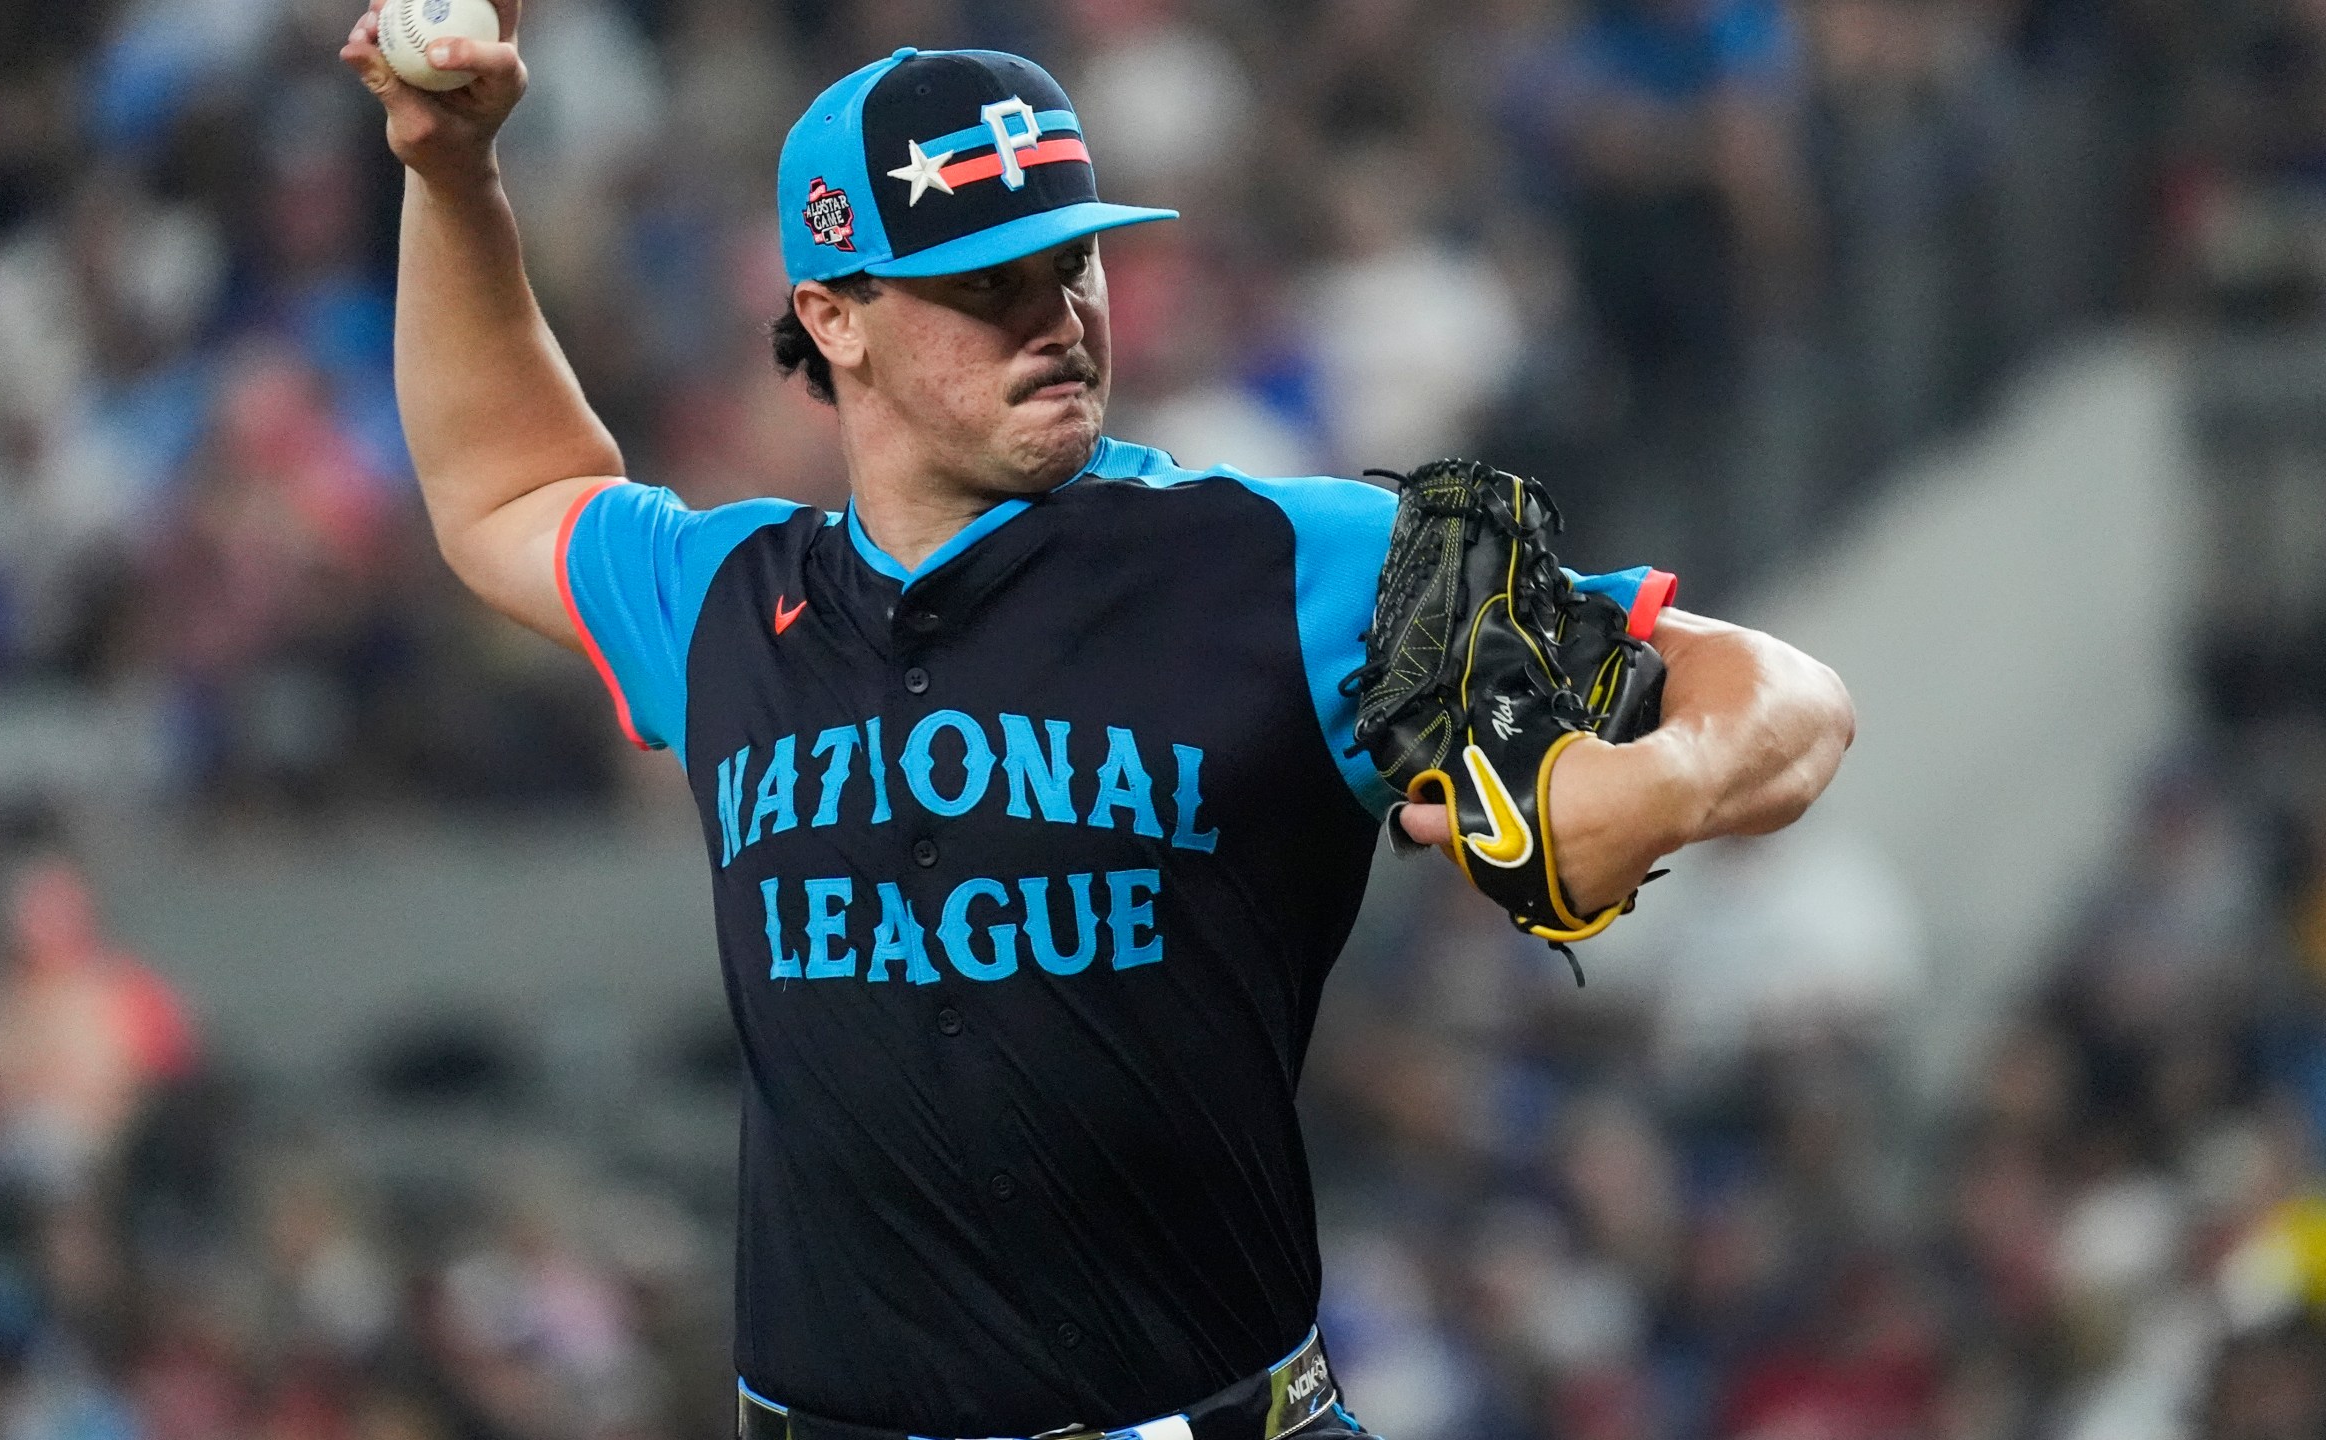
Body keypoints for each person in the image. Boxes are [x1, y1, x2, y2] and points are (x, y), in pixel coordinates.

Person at [341, 13, 1854, 1438]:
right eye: (984, 283)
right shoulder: (733, 599)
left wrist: (1653, 788)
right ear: (833, 316)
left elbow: (1789, 697)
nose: (1054, 316)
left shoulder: (1283, 561)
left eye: (1072, 263)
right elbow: (504, 496)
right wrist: (452, 171)